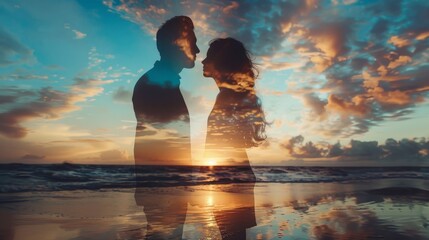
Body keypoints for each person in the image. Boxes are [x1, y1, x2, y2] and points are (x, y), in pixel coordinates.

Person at [132, 16, 199, 239]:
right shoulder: (155, 83)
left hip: (166, 188)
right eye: (193, 43)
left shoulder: (161, 81)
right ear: (176, 45)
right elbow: (155, 144)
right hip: (165, 190)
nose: (198, 50)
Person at [202, 37, 267, 240]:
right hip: (235, 176)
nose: (202, 61)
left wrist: (214, 178)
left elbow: (223, 147)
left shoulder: (226, 98)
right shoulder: (229, 96)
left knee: (232, 236)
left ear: (220, 64)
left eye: (208, 58)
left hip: (229, 179)